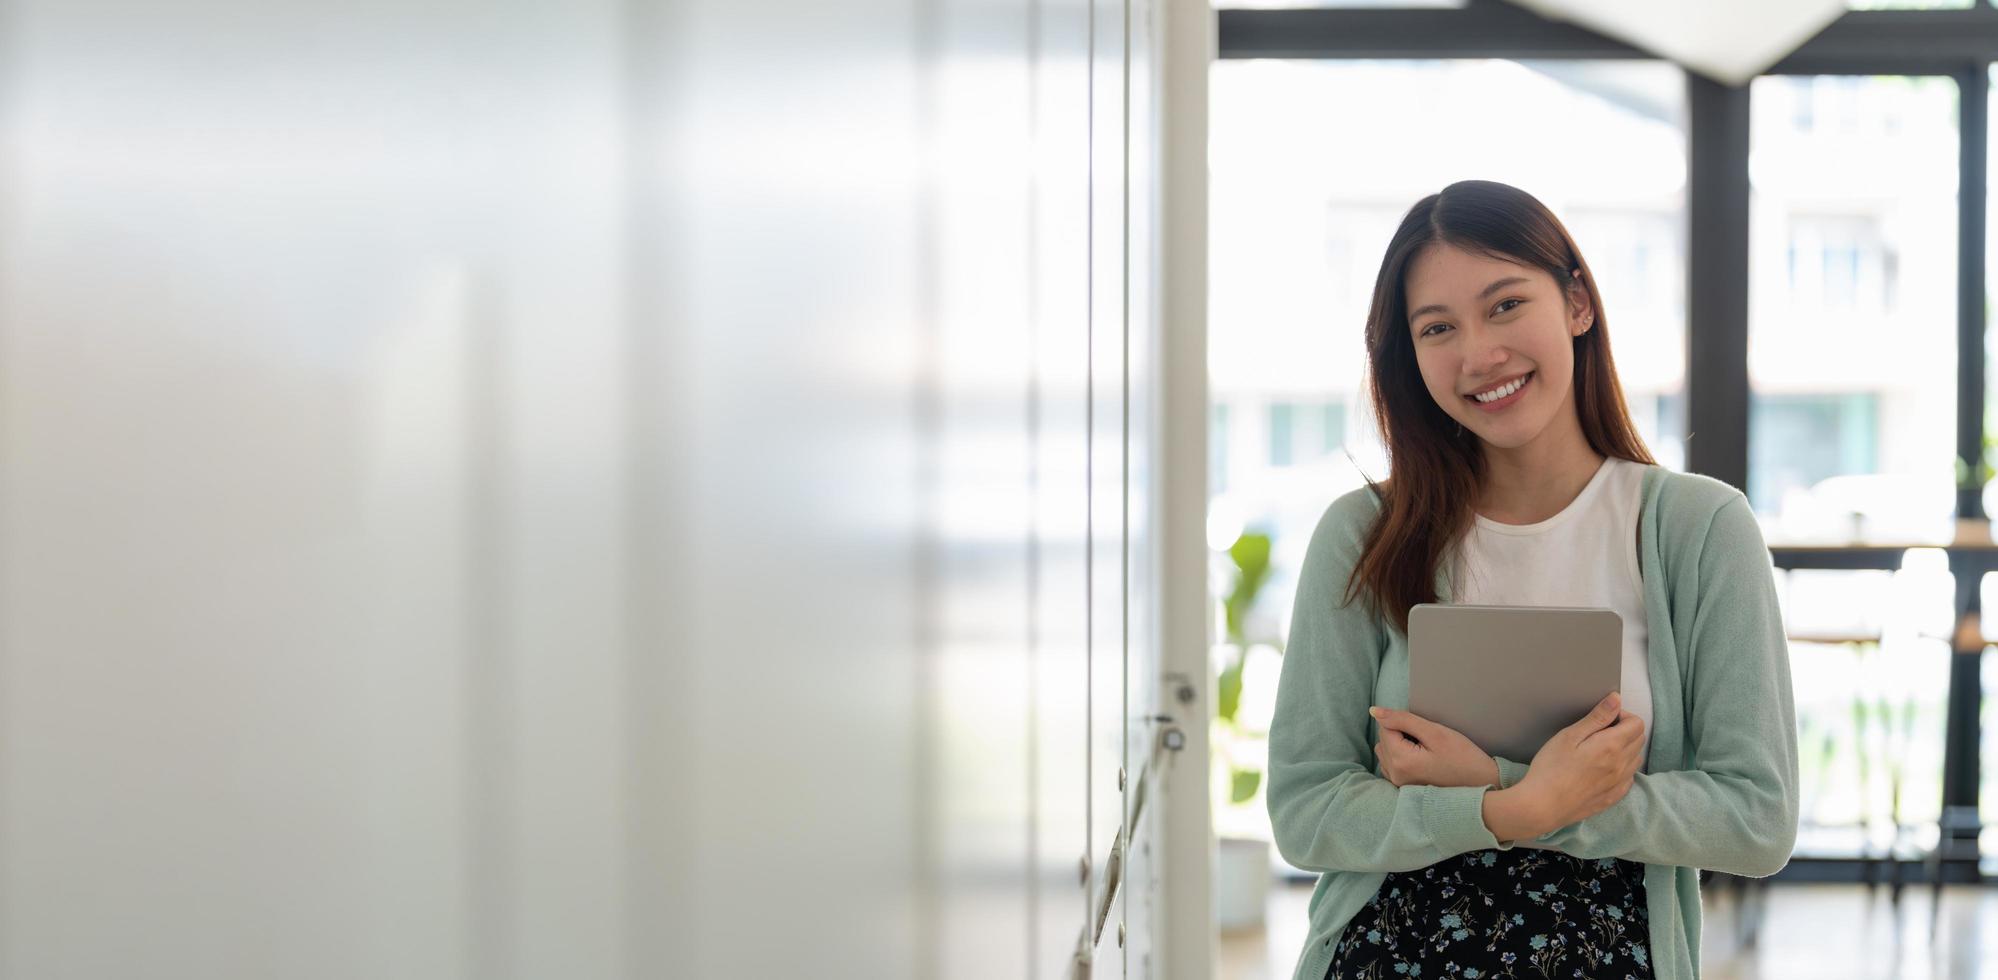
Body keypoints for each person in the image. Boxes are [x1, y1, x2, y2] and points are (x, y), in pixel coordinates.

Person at [1266, 179, 1799, 980]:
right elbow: (1305, 810)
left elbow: (1756, 818)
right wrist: (1514, 807)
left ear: (1577, 303)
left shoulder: (1699, 531)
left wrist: (1513, 795)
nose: (1480, 354)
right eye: (1438, 327)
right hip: (1387, 952)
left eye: (1506, 305)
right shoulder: (1362, 535)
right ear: (1408, 355)